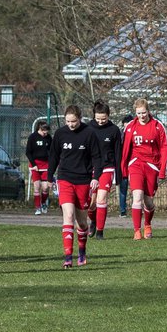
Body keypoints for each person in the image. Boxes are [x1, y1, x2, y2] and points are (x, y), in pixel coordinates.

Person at [48, 105, 100, 268]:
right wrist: (50, 177)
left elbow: (97, 157)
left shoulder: (89, 133)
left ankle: (82, 252)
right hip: (65, 179)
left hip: (83, 181)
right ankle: (68, 256)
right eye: (68, 121)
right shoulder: (60, 134)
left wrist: (96, 177)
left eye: (74, 121)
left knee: (82, 223)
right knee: (68, 215)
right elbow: (54, 156)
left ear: (80, 118)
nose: (71, 124)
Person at [120, 97, 167, 240]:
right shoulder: (130, 126)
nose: (141, 116)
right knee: (137, 197)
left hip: (152, 166)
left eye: (143, 113)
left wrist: (162, 170)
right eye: (139, 113)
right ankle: (137, 231)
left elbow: (164, 148)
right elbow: (125, 149)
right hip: (135, 164)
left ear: (148, 111)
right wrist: (124, 168)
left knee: (148, 201)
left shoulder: (157, 126)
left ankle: (147, 224)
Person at [87, 99, 123, 239]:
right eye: (98, 119)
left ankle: (100, 232)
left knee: (101, 199)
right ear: (94, 116)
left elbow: (118, 153)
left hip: (107, 168)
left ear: (108, 116)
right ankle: (94, 221)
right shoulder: (88, 128)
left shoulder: (114, 130)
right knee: (90, 203)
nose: (100, 121)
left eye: (104, 119)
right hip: (90, 169)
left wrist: (118, 176)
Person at [25, 119, 53, 214]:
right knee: (37, 186)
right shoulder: (32, 137)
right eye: (43, 130)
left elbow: (52, 152)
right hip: (35, 164)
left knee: (45, 187)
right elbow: (28, 152)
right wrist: (34, 165)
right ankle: (37, 208)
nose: (45, 132)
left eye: (46, 130)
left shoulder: (49, 138)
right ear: (39, 128)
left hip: (46, 164)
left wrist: (51, 163)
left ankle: (43, 203)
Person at [118, 113, 134, 216]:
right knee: (123, 189)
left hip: (133, 164)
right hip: (123, 165)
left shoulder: (135, 133)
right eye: (126, 123)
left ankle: (137, 208)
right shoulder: (120, 134)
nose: (127, 125)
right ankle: (123, 210)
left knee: (136, 189)